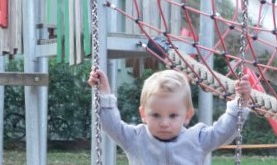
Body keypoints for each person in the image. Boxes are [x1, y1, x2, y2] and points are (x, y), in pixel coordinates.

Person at [88, 67, 251, 165]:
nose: (164, 123)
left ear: (187, 116)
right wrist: (103, 94)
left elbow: (223, 132)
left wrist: (239, 105)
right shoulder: (136, 138)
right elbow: (111, 125)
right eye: (156, 115)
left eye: (173, 116)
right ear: (143, 114)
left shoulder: (197, 139)